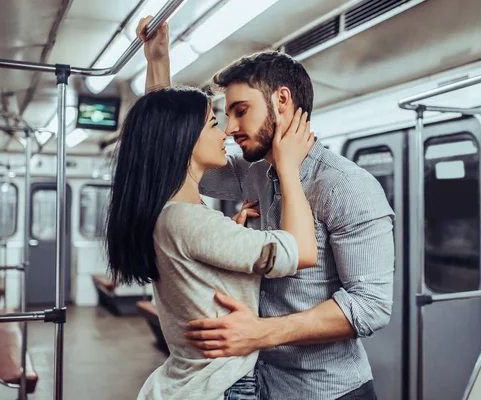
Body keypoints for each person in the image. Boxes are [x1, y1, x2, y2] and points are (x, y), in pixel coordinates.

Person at [138, 15, 395, 400]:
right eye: (225, 116)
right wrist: (158, 62)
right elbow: (172, 154)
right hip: (258, 385)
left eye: (240, 110)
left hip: (329, 391)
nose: (229, 128)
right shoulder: (253, 173)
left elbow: (371, 306)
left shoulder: (347, 187)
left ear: (282, 101)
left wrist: (263, 332)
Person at [105, 83, 318, 400]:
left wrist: (158, 58)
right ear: (183, 139)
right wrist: (288, 168)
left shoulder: (171, 214)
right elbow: (302, 252)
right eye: (214, 124)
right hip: (221, 386)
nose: (225, 134)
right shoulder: (187, 220)